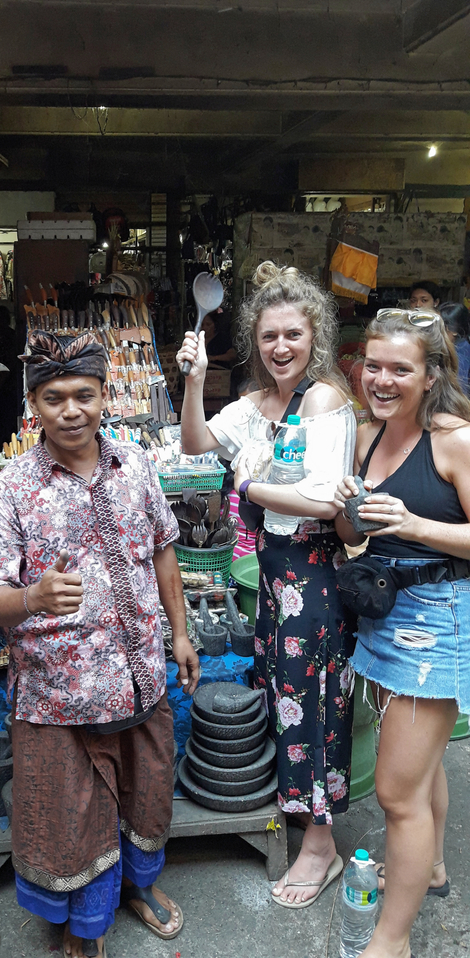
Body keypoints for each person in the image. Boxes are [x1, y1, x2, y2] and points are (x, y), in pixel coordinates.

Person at [0, 330, 200, 958]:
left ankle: (139, 886)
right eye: (54, 398)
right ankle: (84, 923)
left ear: (104, 397)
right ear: (33, 406)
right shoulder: (12, 487)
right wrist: (33, 597)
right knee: (69, 815)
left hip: (139, 672)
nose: (71, 411)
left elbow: (163, 550)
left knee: (147, 792)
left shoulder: (135, 466)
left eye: (84, 396)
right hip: (58, 692)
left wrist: (179, 633)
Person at [176, 261, 356, 908]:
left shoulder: (325, 401)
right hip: (275, 577)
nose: (281, 347)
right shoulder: (255, 405)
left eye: (293, 335)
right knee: (283, 696)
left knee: (315, 702)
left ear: (315, 336)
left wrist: (247, 485)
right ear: (255, 340)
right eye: (269, 336)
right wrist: (194, 380)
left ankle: (322, 844)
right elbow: (196, 443)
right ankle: (300, 812)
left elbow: (323, 501)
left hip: (314, 575)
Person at [333, 307, 470, 958]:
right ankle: (431, 866)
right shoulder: (365, 435)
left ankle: (391, 942)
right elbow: (353, 533)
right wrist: (347, 510)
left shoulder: (454, 441)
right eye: (373, 366)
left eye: (400, 370)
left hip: (437, 620)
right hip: (384, 613)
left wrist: (415, 526)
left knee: (395, 794)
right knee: (421, 769)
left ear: (430, 375)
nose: (381, 380)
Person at [438, 301, 470, 395]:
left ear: (455, 330)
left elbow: (459, 391)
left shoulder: (460, 355)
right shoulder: (462, 345)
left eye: (441, 328)